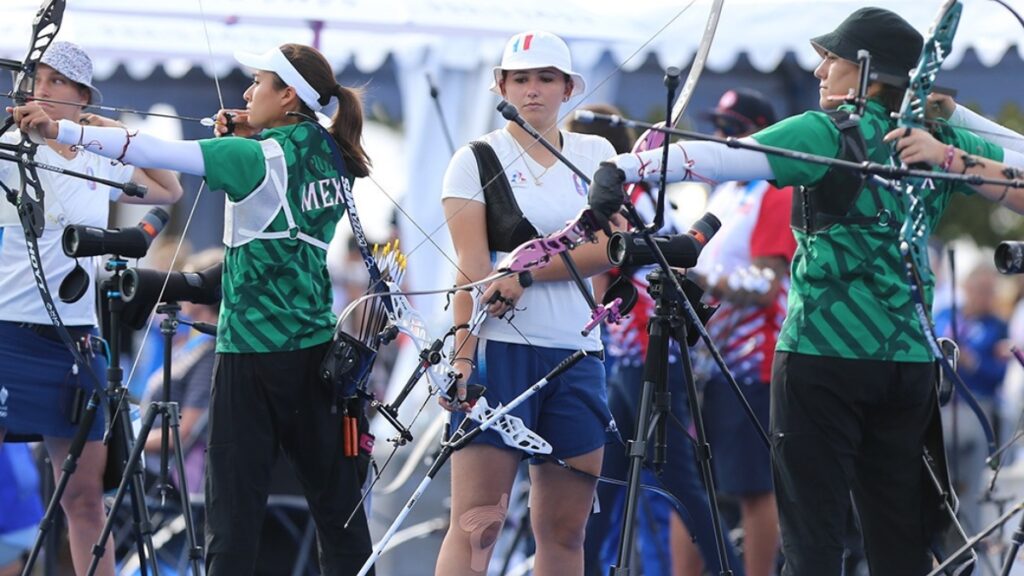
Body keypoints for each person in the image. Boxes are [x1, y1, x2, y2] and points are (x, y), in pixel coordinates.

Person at [585, 7, 1024, 575]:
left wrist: (622, 164)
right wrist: (952, 137)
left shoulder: (828, 129)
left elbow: (726, 156)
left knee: (812, 544)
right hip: (906, 366)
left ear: (870, 74)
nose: (820, 71)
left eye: (833, 59)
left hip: (823, 360)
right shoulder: (936, 139)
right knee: (902, 549)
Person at [11, 42, 376, 575]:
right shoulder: (328, 149)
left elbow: (159, 153)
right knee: (340, 516)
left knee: (232, 521)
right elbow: (281, 171)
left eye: (257, 83)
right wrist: (255, 129)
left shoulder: (250, 155)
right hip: (317, 353)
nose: (247, 94)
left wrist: (62, 130)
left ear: (289, 94)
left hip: (251, 356)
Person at [437, 31, 618, 575]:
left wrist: (527, 273)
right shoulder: (474, 159)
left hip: (578, 352)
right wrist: (462, 358)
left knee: (565, 532)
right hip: (499, 351)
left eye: (545, 79)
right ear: (502, 85)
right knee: (478, 525)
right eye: (521, 79)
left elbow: (608, 248)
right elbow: (470, 266)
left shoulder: (598, 155)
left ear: (567, 88)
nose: (533, 90)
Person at [0, 40, 182, 576]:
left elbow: (166, 189)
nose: (42, 88)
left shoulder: (99, 151)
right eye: (38, 78)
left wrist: (102, 131)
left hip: (74, 336)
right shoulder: (11, 147)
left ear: (82, 96)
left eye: (58, 82)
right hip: (7, 330)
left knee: (84, 498)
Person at [570, 103, 745, 576]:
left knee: (678, 481)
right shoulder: (637, 194)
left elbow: (607, 267)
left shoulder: (628, 197)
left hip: (648, 352)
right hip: (633, 353)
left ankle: (729, 569)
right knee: (605, 483)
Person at [687, 87, 792, 576]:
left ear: (760, 135)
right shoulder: (726, 190)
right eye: (719, 128)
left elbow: (769, 282)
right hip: (711, 362)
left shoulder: (774, 188)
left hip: (756, 362)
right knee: (691, 481)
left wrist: (704, 280)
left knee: (754, 486)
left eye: (735, 130)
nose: (721, 139)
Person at [933, 263, 1009, 532]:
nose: (984, 297)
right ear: (966, 288)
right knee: (937, 485)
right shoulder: (945, 315)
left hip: (976, 409)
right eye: (980, 290)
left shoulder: (997, 326)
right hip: (942, 409)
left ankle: (969, 551)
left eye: (990, 291)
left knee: (970, 489)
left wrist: (972, 361)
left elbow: (997, 373)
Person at [141, 247, 223, 493]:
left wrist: (130, 442)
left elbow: (185, 431)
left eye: (188, 286)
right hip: (149, 461)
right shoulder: (193, 344)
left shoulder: (211, 352)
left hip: (165, 475)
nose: (180, 293)